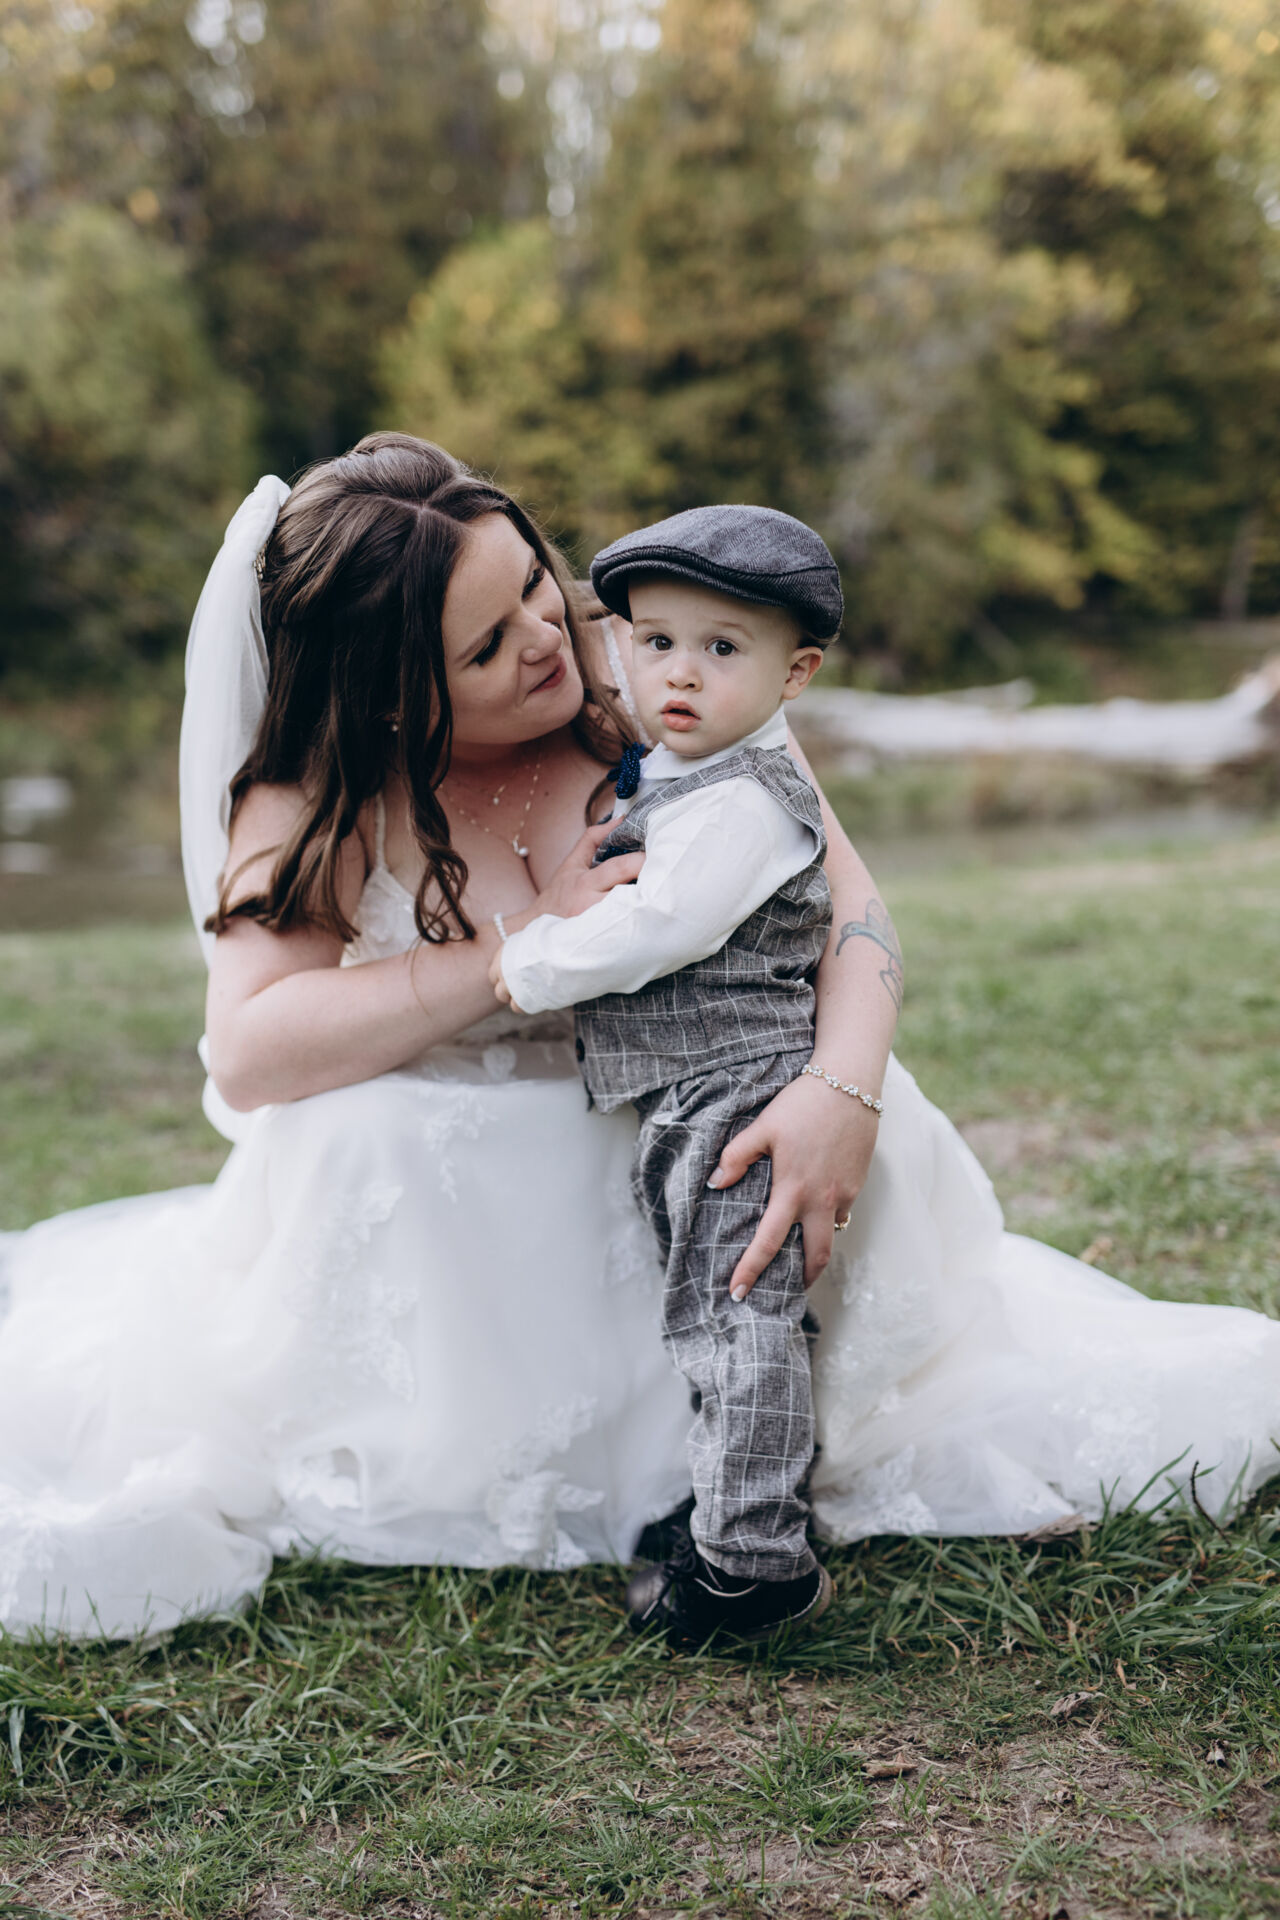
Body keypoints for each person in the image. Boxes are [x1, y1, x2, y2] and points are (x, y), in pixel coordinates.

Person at [1, 432, 1277, 1644]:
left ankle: (752, 1476)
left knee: (783, 1107)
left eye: (532, 586)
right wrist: (513, 952)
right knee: (360, 1130)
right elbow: (250, 1051)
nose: (546, 639)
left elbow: (852, 911)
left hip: (706, 1119)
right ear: (389, 700)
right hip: (464, 1219)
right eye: (485, 646)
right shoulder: (316, 794)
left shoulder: (662, 682)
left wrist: (842, 1089)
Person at [494, 505, 850, 1643]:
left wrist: (532, 959)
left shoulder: (743, 799)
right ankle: (732, 1513)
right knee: (716, 1311)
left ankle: (751, 1567)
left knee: (735, 1317)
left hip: (737, 1093)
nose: (681, 673)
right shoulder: (685, 772)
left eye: (721, 648)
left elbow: (660, 925)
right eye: (655, 643)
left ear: (794, 673)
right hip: (696, 1094)